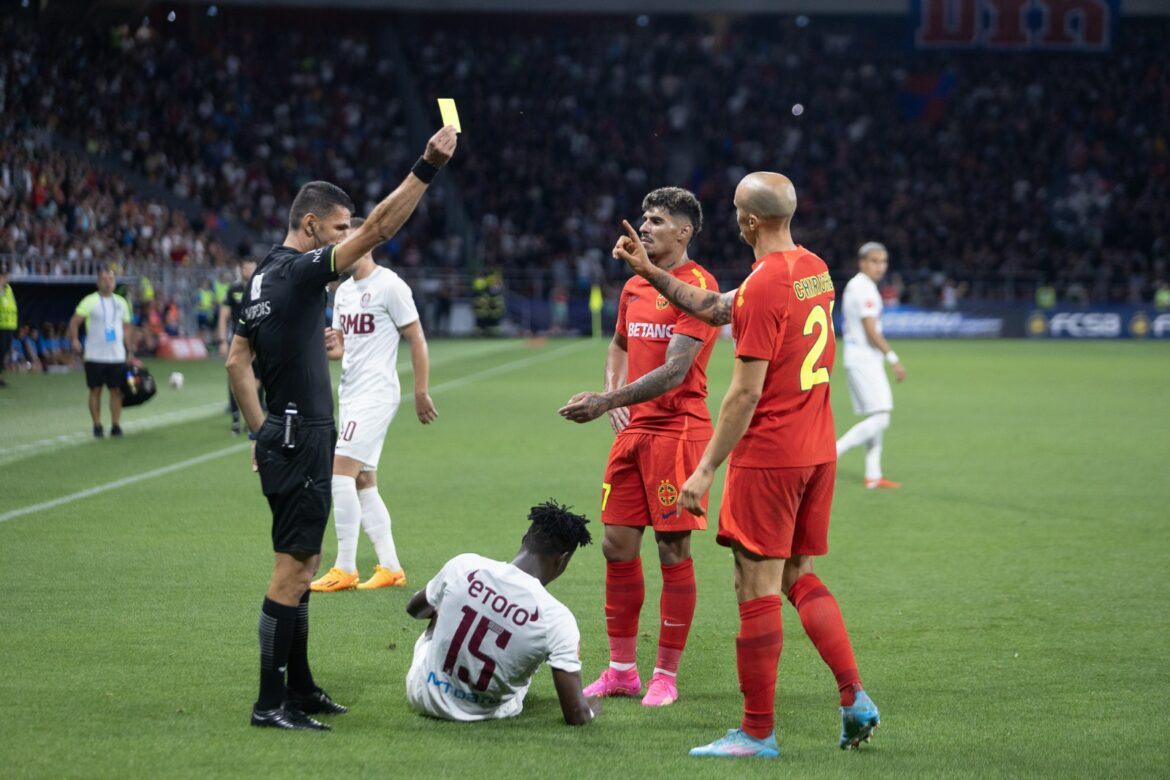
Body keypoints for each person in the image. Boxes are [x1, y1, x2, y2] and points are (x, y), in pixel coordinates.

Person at [613, 172, 880, 758]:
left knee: (752, 585)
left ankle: (757, 732)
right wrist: (650, 273)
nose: (732, 216)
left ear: (750, 221)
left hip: (770, 457)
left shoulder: (762, 287)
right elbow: (715, 306)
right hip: (817, 450)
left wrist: (705, 469)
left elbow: (742, 395)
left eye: (736, 208)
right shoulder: (814, 267)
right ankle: (854, 696)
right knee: (797, 577)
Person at [226, 125, 457, 732]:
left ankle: (299, 689)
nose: (347, 238)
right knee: (293, 571)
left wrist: (261, 432)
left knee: (302, 563)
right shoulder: (303, 271)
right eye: (337, 229)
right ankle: (269, 703)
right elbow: (381, 227)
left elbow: (237, 363)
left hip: (286, 432)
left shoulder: (261, 278)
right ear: (310, 228)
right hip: (302, 436)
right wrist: (426, 167)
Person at [557, 187, 719, 708]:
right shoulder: (631, 287)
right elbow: (620, 344)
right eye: (644, 219)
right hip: (633, 434)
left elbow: (676, 371)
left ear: (683, 231)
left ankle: (665, 674)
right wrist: (615, 393)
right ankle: (623, 670)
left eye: (656, 221)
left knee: (672, 551)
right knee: (615, 547)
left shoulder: (697, 287)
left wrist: (606, 400)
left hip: (677, 434)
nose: (644, 227)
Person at [310, 216, 437, 593]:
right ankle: (391, 567)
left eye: (345, 238)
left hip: (376, 393)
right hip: (350, 392)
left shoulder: (390, 285)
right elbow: (345, 347)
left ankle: (345, 566)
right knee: (363, 480)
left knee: (339, 473)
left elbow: (416, 338)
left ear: (365, 241)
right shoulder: (343, 292)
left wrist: (420, 390)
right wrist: (335, 348)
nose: (339, 247)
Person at [404, 500, 601, 726]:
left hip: (423, 695)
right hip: (487, 711)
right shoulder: (556, 617)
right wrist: (592, 707)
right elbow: (577, 715)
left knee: (444, 602)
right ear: (562, 559)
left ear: (524, 539)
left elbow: (415, 609)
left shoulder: (465, 565)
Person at [836, 242, 906, 489]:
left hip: (861, 358)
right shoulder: (864, 288)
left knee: (876, 415)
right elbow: (870, 330)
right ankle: (832, 455)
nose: (880, 266)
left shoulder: (860, 286)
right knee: (882, 417)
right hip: (863, 358)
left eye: (883, 261)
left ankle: (873, 476)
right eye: (874, 261)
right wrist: (893, 358)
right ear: (862, 262)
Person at [68, 266, 135, 438]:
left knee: (117, 391)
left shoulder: (121, 302)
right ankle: (97, 424)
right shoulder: (90, 301)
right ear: (98, 282)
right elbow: (75, 322)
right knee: (95, 390)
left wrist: (129, 349)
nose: (108, 282)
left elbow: (127, 328)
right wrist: (74, 340)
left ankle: (115, 424)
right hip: (95, 355)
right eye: (104, 279)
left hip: (117, 355)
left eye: (111, 279)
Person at [217, 257, 259, 435]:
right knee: (235, 376)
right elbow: (223, 315)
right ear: (240, 269)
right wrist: (222, 341)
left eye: (252, 268)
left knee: (258, 379)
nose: (248, 271)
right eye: (246, 268)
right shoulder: (233, 290)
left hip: (259, 340)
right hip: (239, 340)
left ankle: (253, 415)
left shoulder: (260, 287)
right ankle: (236, 418)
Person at [0, 268, 15, 387]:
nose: (7, 279)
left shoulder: (8, 289)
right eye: (5, 276)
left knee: (3, 353)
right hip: (1, 326)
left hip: (9, 326)